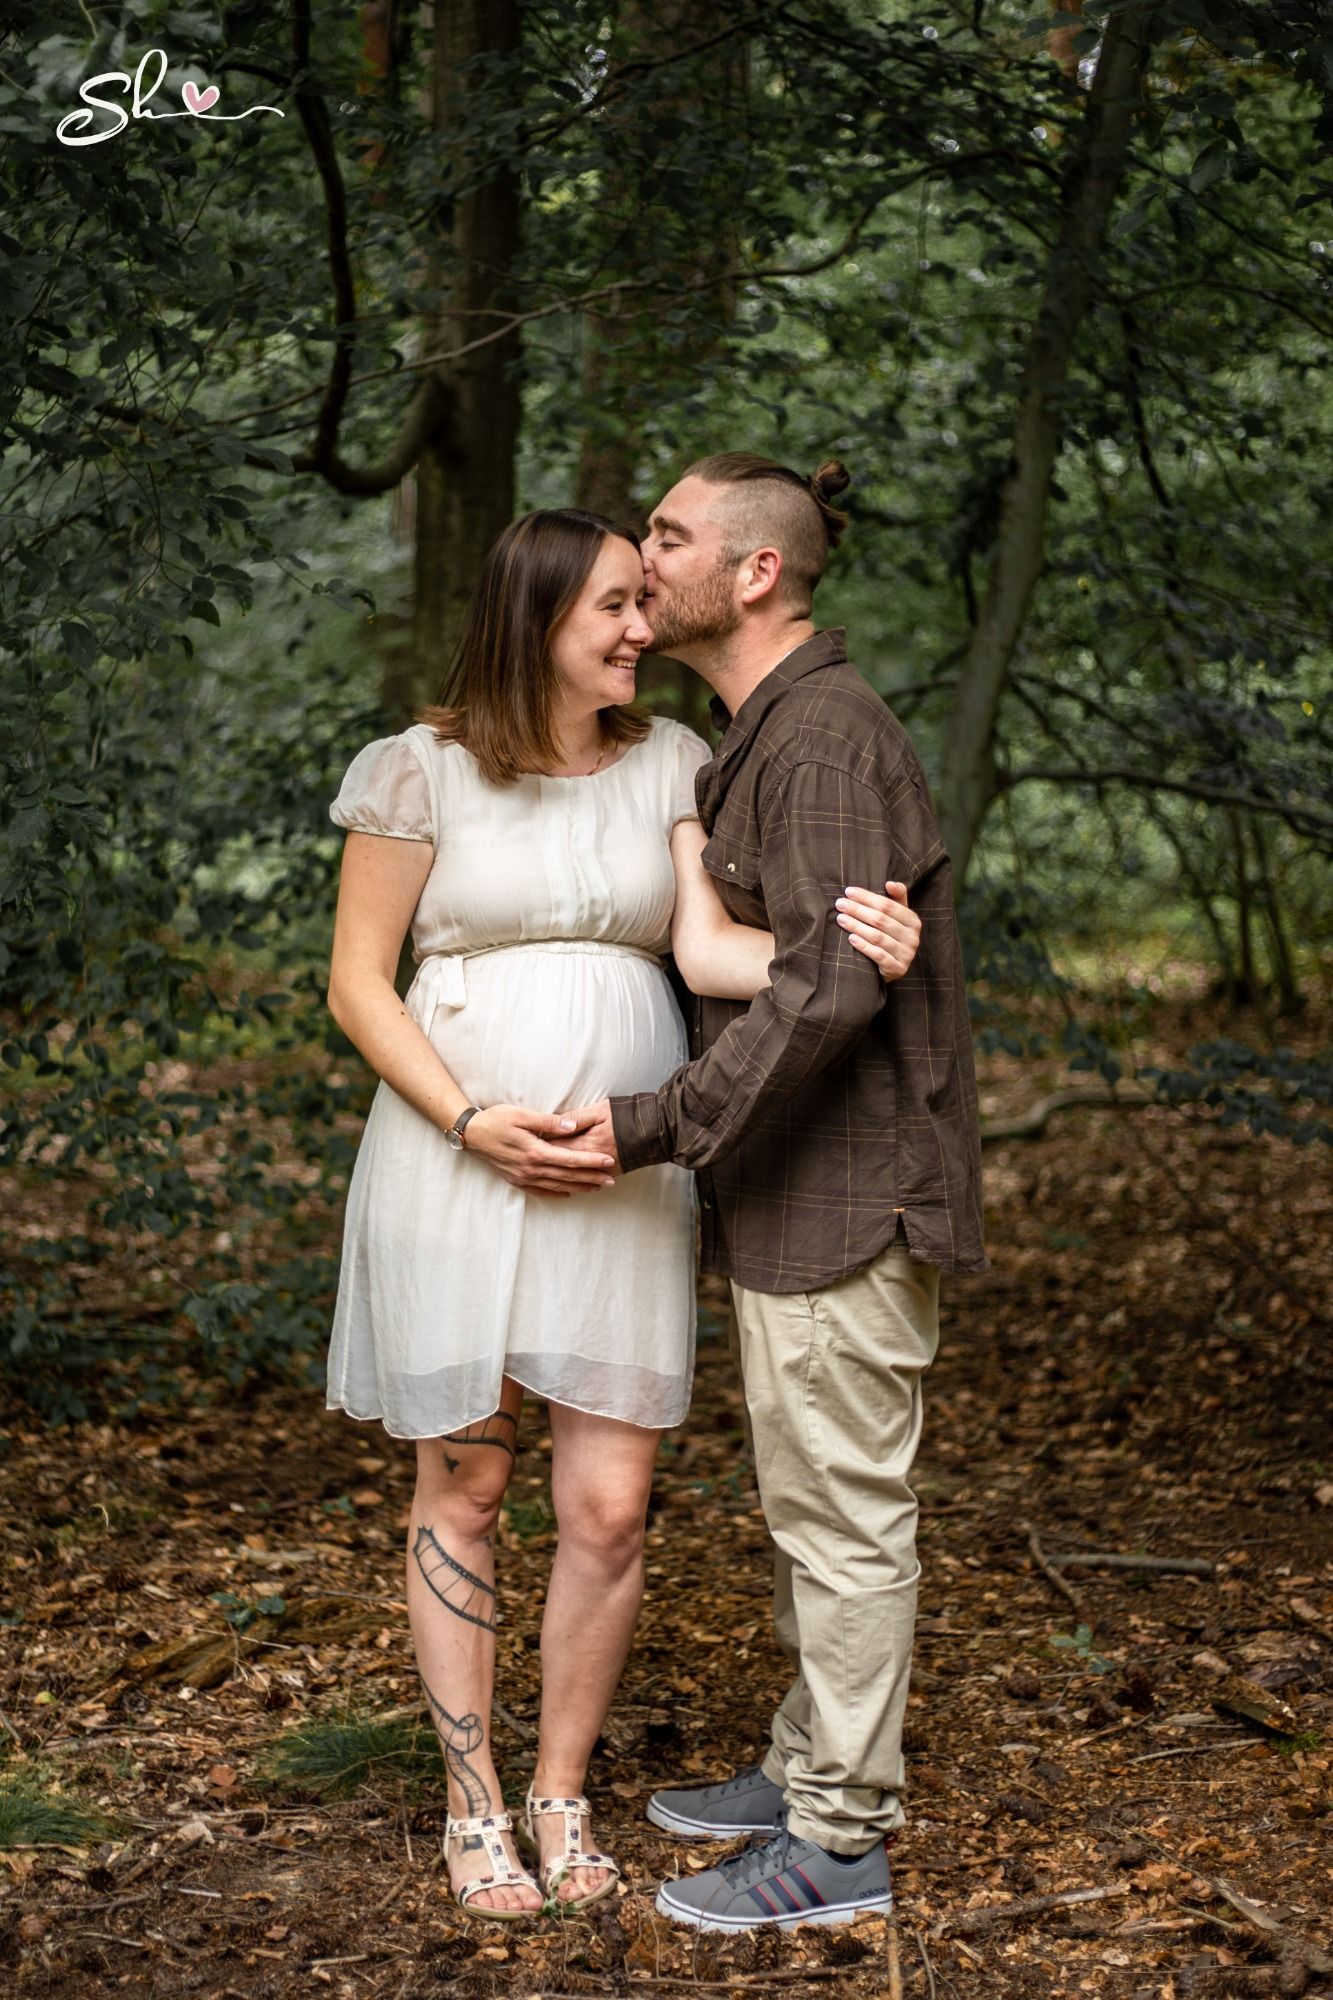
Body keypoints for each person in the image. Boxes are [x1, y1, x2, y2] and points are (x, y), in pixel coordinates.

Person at [323, 507, 921, 1921]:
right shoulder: (419, 770)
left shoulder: (671, 762)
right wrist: (468, 1119)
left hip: (622, 1170)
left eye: (643, 602)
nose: (642, 628)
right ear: (535, 617)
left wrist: (861, 944)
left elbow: (706, 947)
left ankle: (559, 1792)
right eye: (612, 607)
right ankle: (473, 1805)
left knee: (606, 1507)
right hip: (456, 1164)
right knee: (467, 1485)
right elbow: (355, 983)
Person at [561, 456, 988, 1932]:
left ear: (754, 572)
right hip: (802, 1196)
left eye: (669, 537)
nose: (644, 557)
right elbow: (806, 963)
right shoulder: (772, 736)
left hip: (849, 1201)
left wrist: (650, 1128)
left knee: (845, 1521)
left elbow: (824, 1001)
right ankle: (811, 1763)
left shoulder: (817, 743)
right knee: (813, 1508)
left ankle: (840, 1840)